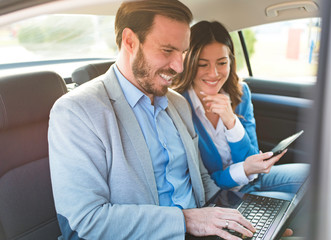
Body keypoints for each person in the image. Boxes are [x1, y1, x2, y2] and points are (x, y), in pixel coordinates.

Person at [48, 1, 258, 239]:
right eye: (168, 51)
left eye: (182, 52)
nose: (179, 66)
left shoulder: (177, 104)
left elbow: (200, 180)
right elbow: (86, 221)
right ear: (129, 41)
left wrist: (237, 217)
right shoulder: (77, 111)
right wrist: (185, 220)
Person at [172, 21, 309, 198]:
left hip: (253, 180)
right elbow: (202, 182)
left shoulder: (240, 92)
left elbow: (254, 162)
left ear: (230, 62)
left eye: (221, 63)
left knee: (316, 176)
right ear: (189, 63)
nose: (213, 73)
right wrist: (242, 170)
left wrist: (231, 122)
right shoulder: (177, 105)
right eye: (203, 64)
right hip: (220, 195)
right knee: (289, 203)